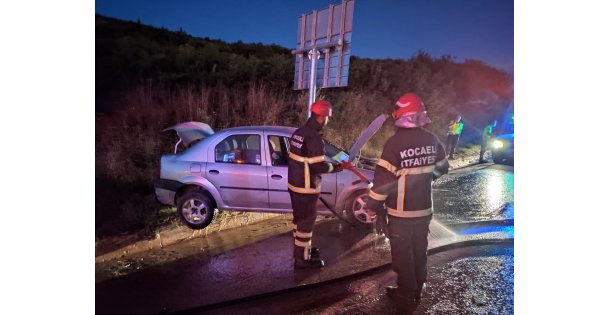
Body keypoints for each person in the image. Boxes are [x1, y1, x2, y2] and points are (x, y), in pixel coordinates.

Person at [366, 93, 449, 313]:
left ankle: (405, 294)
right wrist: (425, 179)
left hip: (401, 215)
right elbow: (443, 167)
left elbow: (382, 185)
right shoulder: (431, 139)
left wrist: (371, 205)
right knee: (419, 250)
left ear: (400, 117)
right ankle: (418, 287)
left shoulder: (394, 145)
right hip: (424, 211)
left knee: (403, 255)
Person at [288, 99, 349, 269]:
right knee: (306, 222)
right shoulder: (313, 137)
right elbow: (318, 166)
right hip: (306, 188)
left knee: (298, 221)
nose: (327, 121)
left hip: (294, 185)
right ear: (322, 117)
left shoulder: (299, 132)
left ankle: (301, 249)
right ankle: (302, 259)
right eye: (328, 117)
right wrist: (336, 167)